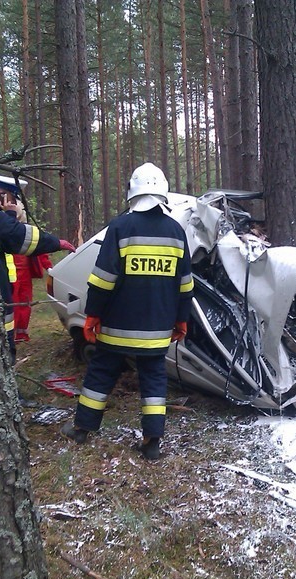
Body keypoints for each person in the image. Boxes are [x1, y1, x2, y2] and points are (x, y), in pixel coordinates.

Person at [60, 163, 194, 461]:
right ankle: (152, 442)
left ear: (132, 193)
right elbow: (185, 284)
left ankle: (82, 428)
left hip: (118, 326)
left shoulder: (120, 227)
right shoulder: (175, 232)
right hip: (158, 330)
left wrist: (92, 314)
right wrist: (181, 319)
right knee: (154, 379)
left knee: (102, 372)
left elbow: (103, 279)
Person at [0, 167, 75, 382]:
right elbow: (19, 235)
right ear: (3, 196)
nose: (15, 202)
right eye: (12, 197)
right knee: (3, 340)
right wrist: (57, 243)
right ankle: (6, 388)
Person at [11, 207, 53, 343]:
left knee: (24, 302)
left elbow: (40, 247)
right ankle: (10, 334)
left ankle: (21, 333)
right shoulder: (4, 228)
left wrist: (48, 267)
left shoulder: (27, 231)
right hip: (10, 274)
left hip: (25, 274)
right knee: (12, 303)